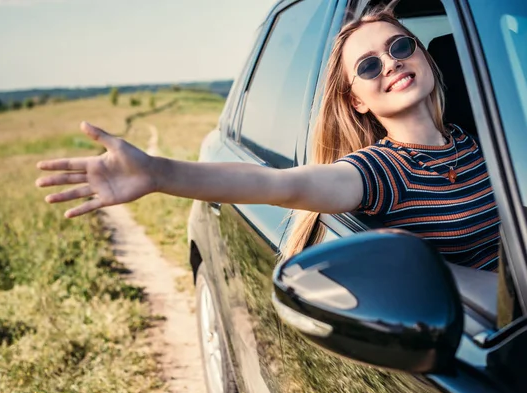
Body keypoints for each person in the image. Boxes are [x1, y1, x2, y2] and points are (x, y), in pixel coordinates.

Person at [35, 6, 500, 271]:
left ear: (421, 54)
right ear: (356, 100)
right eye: (368, 65)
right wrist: (159, 172)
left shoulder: (475, 140)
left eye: (400, 46)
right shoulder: (380, 171)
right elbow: (283, 185)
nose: (391, 62)